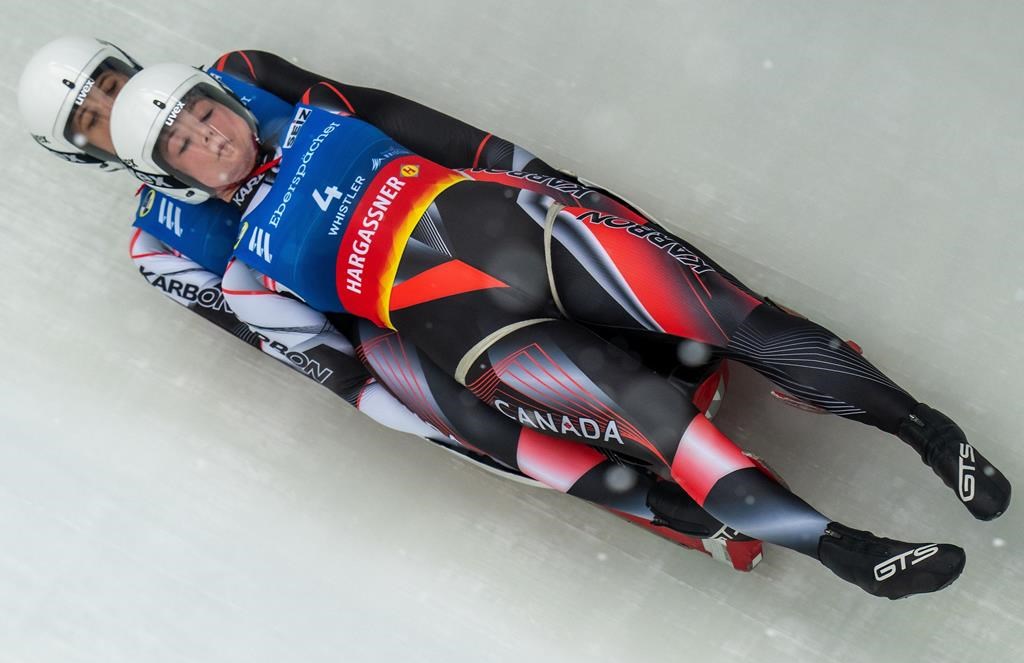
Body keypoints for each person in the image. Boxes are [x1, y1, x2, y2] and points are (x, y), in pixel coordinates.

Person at [108, 63, 1009, 599]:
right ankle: (843, 549)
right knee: (660, 419)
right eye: (186, 143)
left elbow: (443, 131)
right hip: (469, 334)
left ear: (223, 96)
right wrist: (442, 424)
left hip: (531, 236)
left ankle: (928, 430)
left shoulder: (309, 113)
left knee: (732, 316)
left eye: (205, 112)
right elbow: (341, 368)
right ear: (173, 177)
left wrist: (562, 186)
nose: (212, 137)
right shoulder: (245, 266)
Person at [18, 38, 762, 570]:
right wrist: (368, 393)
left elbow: (381, 114)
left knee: (561, 224)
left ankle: (750, 335)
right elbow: (271, 335)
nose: (110, 114)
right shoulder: (158, 243)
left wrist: (510, 168)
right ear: (83, 152)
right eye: (91, 121)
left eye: (110, 89)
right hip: (371, 312)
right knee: (462, 417)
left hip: (424, 211)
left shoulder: (238, 75)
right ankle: (679, 512)